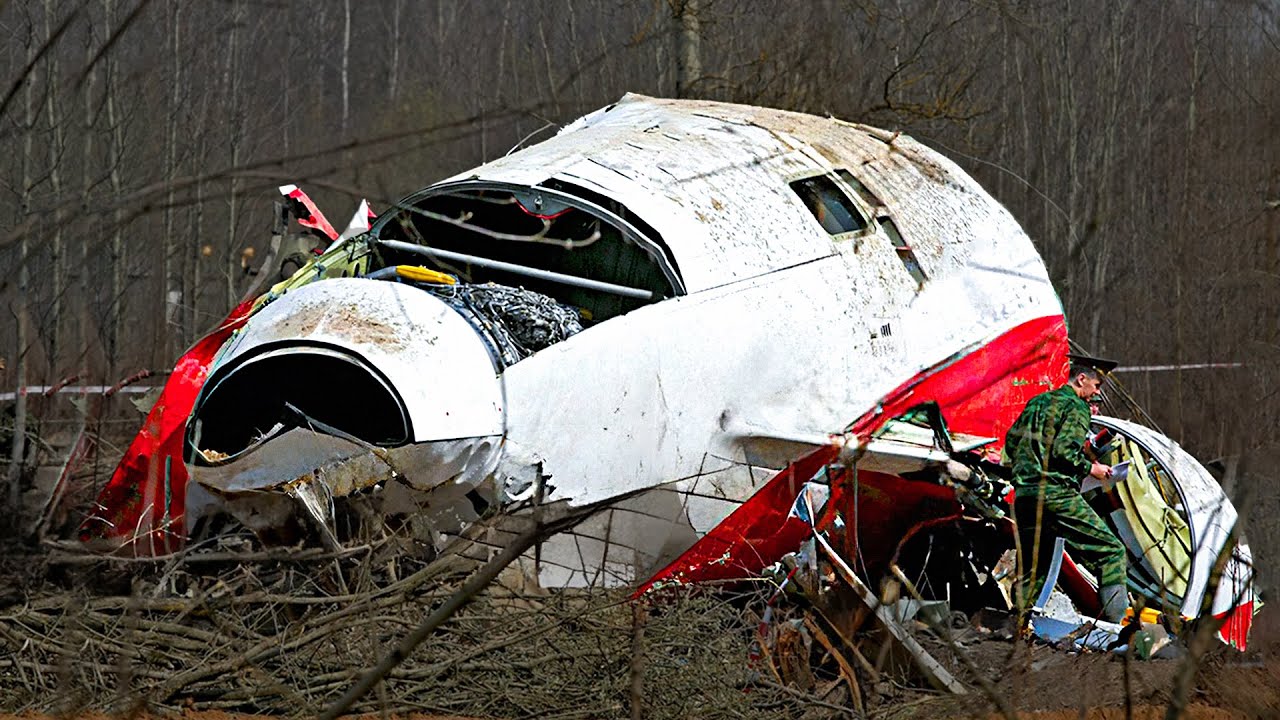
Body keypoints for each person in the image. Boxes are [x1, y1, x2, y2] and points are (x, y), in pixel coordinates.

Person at [1005, 353, 1129, 623]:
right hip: (1056, 494)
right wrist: (1092, 469)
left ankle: (1017, 626)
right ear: (1081, 379)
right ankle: (1115, 627)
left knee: (1034, 566)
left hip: (1025, 497)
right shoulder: (1076, 407)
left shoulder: (1038, 402)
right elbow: (1063, 451)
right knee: (1111, 552)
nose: (1096, 392)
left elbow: (1011, 443)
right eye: (1096, 386)